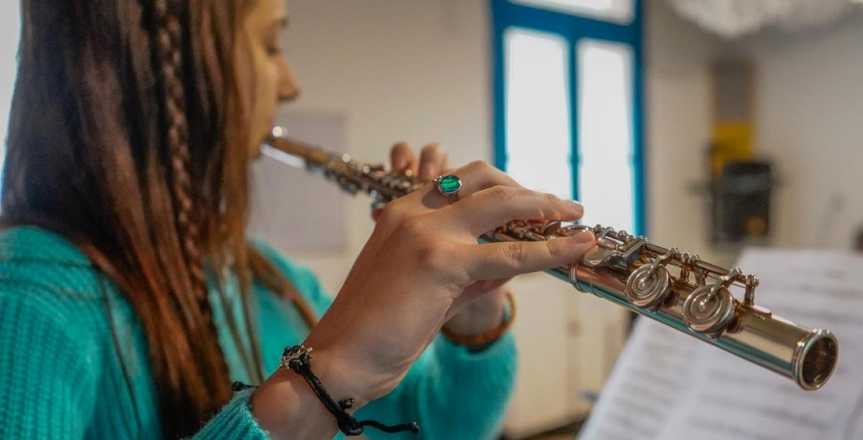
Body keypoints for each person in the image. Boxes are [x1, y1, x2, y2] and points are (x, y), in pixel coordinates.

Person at [0, 0, 597, 439]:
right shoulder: (30, 297)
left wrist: (473, 311)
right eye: (268, 45)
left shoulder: (267, 278)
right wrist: (324, 376)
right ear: (166, 74)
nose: (289, 84)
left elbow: (441, 429)